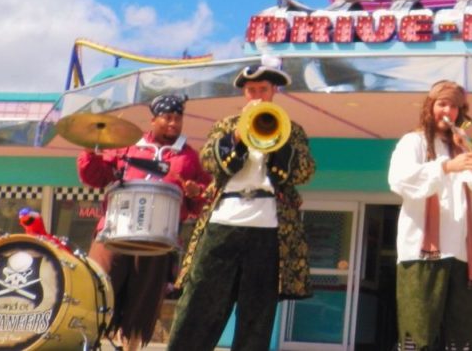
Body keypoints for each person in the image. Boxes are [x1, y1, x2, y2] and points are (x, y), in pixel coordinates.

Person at [168, 60, 316, 351]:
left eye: (263, 89)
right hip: (224, 223)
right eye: (251, 90)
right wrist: (237, 136)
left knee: (257, 313)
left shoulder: (291, 130)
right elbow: (209, 162)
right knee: (201, 304)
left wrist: (278, 141)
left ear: (274, 91)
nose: (257, 96)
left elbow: (304, 172)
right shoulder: (225, 125)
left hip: (269, 227)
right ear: (244, 94)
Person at [76, 93, 210, 351]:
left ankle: (131, 347)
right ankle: (87, 344)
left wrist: (197, 192)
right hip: (113, 233)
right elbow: (96, 177)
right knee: (97, 291)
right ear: (153, 120)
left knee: (142, 305)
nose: (173, 123)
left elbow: (200, 198)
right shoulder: (126, 145)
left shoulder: (189, 156)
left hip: (157, 242)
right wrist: (90, 150)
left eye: (178, 119)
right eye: (167, 118)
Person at [388, 80, 472, 350]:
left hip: (464, 257)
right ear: (430, 106)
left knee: (465, 337)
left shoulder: (466, 147)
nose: (449, 111)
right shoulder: (413, 142)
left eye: (455, 106)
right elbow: (399, 180)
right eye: (442, 104)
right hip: (421, 255)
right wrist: (446, 166)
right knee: (418, 333)